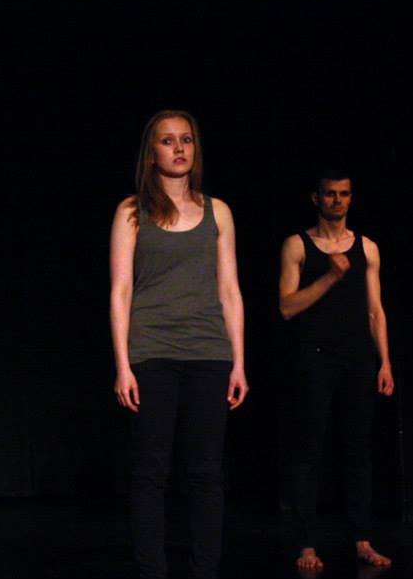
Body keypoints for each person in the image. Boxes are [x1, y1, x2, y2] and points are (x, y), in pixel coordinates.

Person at [109, 110, 248, 578]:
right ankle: (153, 570)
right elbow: (120, 290)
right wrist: (123, 365)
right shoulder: (132, 212)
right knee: (151, 471)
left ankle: (205, 570)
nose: (179, 148)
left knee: (206, 471)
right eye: (168, 141)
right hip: (152, 353)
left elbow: (230, 290)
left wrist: (239, 362)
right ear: (152, 153)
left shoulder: (218, 211)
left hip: (209, 352)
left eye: (186, 139)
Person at [278, 170, 394, 570]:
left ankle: (362, 539)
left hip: (358, 357)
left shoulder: (368, 248)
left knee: (358, 449)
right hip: (316, 356)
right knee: (310, 448)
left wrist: (385, 362)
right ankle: (307, 545)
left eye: (344, 194)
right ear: (317, 198)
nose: (338, 201)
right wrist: (330, 276)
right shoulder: (297, 245)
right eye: (330, 194)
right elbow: (286, 307)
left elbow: (375, 310)